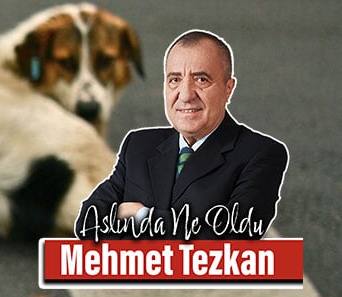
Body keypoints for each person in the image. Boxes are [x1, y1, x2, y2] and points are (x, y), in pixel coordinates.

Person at [74, 30, 287, 241]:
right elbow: (88, 224)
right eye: (175, 80)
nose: (185, 95)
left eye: (201, 80)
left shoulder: (261, 154)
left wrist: (141, 216)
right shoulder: (138, 146)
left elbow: (233, 238)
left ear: (228, 88)